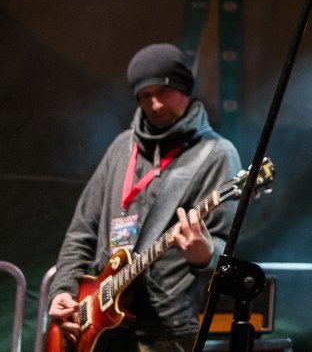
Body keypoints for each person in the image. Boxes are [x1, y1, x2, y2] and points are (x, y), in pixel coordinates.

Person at [48, 44, 243, 352]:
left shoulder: (216, 154)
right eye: (144, 95)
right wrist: (63, 289)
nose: (155, 104)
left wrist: (205, 256)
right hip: (99, 325)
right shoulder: (122, 147)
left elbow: (225, 249)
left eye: (163, 92)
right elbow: (82, 229)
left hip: (167, 332)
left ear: (185, 88)